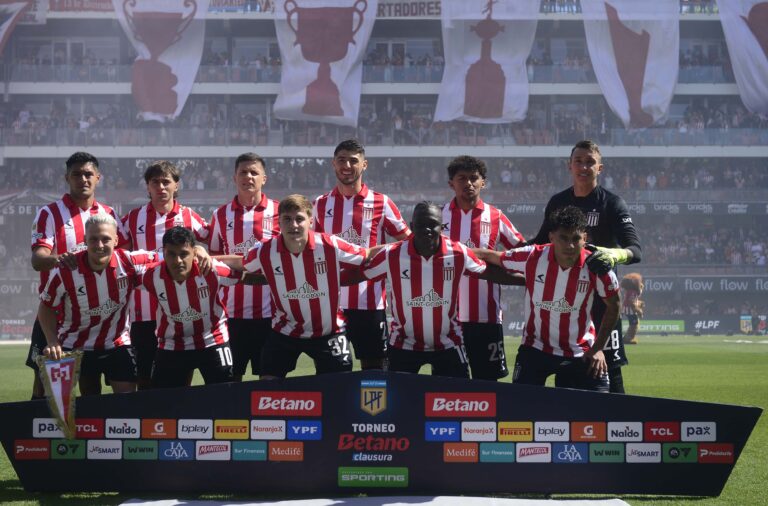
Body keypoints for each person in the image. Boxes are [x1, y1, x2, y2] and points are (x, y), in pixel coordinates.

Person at [344, 202, 522, 379]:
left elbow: (490, 273)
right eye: (421, 224)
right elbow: (359, 275)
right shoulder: (392, 255)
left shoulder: (458, 253)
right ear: (412, 226)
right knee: (395, 401)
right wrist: (325, 280)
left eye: (433, 224)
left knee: (457, 401)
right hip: (403, 343)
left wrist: (530, 281)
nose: (427, 229)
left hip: (448, 343)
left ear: (442, 226)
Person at [528, 139, 641, 394]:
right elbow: (538, 244)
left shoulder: (612, 204)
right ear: (569, 166)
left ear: (599, 168)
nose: (584, 166)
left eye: (590, 161)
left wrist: (611, 255)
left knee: (609, 374)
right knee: (568, 378)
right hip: (566, 306)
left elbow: (635, 250)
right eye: (578, 161)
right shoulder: (558, 201)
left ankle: (619, 430)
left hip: (602, 304)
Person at [231, 194, 375, 379]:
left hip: (328, 332)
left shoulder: (330, 244)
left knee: (338, 390)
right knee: (266, 388)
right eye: (287, 219)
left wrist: (405, 247)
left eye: (299, 219)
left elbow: (366, 255)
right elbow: (240, 264)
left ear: (311, 221)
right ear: (279, 223)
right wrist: (200, 254)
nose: (294, 225)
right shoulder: (265, 250)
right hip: (285, 331)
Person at [477, 206, 620, 392]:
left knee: (599, 411)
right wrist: (451, 252)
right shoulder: (532, 256)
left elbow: (615, 305)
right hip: (535, 348)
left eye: (576, 239)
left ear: (585, 239)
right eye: (563, 238)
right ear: (552, 237)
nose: (569, 246)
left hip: (580, 350)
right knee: (519, 410)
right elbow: (492, 256)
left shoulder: (597, 267)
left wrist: (598, 348)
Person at [28, 152, 128, 400]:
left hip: (99, 317)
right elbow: (38, 261)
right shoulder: (49, 213)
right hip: (57, 315)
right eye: (76, 174)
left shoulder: (109, 214)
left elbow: (123, 257)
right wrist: (60, 258)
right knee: (44, 390)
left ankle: (95, 438)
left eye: (88, 174)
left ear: (98, 177)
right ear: (67, 178)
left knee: (91, 388)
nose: (83, 179)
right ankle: (38, 438)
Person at [313, 139, 410, 370]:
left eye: (353, 160)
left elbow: (407, 242)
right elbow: (313, 248)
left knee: (375, 368)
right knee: (331, 369)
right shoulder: (320, 204)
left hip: (370, 303)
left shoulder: (382, 202)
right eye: (341, 160)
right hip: (331, 305)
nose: (347, 165)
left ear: (364, 165)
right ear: (333, 165)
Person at [39, 213, 156, 395]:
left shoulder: (128, 263)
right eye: (93, 239)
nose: (100, 246)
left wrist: (198, 250)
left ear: (116, 240)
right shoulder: (66, 270)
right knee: (85, 400)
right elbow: (45, 306)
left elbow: (169, 257)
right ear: (85, 240)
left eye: (106, 239)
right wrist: (52, 340)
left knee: (127, 401)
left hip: (116, 343)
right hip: (75, 344)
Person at [121, 160, 210, 389]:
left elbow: (211, 245)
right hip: (144, 311)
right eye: (155, 182)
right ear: (148, 187)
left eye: (166, 182)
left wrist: (200, 248)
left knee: (181, 373)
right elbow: (116, 253)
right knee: (143, 375)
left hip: (179, 309)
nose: (161, 187)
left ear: (176, 186)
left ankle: (179, 417)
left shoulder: (190, 217)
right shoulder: (132, 218)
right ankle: (146, 419)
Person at [442, 155, 525, 381]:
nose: (468, 183)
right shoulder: (439, 217)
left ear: (483, 182)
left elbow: (523, 252)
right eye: (462, 178)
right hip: (447, 320)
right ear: (452, 183)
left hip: (486, 316)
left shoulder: (496, 217)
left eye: (473, 178)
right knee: (450, 383)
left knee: (487, 383)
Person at [139, 227, 240, 389]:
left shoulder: (211, 269)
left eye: (184, 254)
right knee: (160, 401)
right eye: (171, 254)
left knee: (224, 395)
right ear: (163, 253)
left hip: (212, 339)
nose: (178, 260)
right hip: (172, 344)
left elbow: (244, 272)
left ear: (193, 253)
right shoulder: (150, 276)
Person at [209, 153, 280, 382]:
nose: (248, 177)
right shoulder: (220, 215)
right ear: (234, 177)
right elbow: (214, 259)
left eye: (254, 172)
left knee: (268, 379)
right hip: (231, 314)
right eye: (243, 172)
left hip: (270, 314)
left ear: (264, 178)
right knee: (230, 380)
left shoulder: (281, 214)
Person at [620, 273, 644, 344]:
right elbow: (631, 302)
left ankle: (627, 338)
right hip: (629, 310)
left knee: (633, 324)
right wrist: (639, 311)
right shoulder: (633, 292)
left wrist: (639, 303)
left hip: (626, 308)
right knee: (634, 325)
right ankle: (628, 338)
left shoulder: (630, 291)